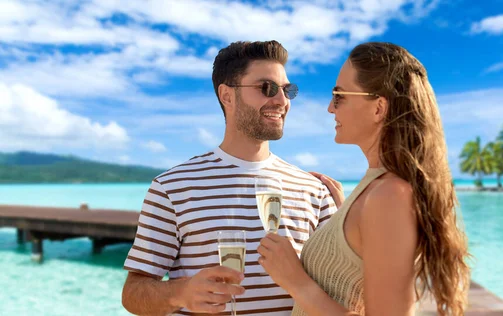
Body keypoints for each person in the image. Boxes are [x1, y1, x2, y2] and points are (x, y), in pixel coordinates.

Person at [121, 40, 337, 316]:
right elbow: (133, 293)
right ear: (227, 96)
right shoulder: (172, 188)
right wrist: (180, 293)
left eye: (288, 90)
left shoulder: (313, 190)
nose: (282, 101)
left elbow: (340, 289)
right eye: (267, 88)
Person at [256, 42, 471, 316]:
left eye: (338, 96)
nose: (330, 108)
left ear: (379, 108)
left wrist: (296, 282)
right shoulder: (374, 191)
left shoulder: (389, 195)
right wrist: (345, 218)